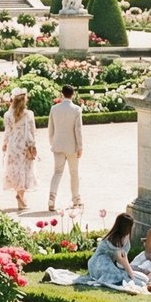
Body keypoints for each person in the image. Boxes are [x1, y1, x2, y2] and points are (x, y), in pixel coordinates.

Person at [85, 213, 151, 289]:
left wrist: (132, 273)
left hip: (113, 263)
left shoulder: (126, 236)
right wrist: (132, 276)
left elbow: (123, 261)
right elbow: (122, 260)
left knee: (129, 275)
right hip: (99, 262)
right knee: (119, 276)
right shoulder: (113, 239)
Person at [47, 83, 84, 211]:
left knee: (57, 173)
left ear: (62, 94)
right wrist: (80, 147)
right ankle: (76, 199)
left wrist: (53, 142)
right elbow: (78, 130)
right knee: (74, 173)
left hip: (57, 145)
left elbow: (50, 129)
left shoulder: (54, 108)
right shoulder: (76, 110)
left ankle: (52, 198)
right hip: (71, 146)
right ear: (73, 94)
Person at [1, 89, 38, 211]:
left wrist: (5, 143)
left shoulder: (8, 115)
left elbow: (7, 132)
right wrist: (34, 145)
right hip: (25, 145)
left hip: (13, 145)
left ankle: (20, 196)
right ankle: (21, 197)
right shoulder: (29, 114)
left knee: (15, 170)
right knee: (25, 170)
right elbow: (33, 131)